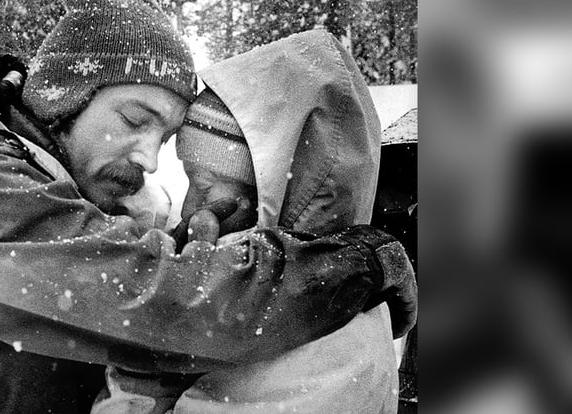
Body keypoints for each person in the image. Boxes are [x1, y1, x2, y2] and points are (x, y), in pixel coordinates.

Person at [0, 0, 416, 413]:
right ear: (62, 98)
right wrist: (352, 264)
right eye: (135, 120)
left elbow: (133, 272)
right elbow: (160, 299)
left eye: (163, 139)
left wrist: (188, 247)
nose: (151, 161)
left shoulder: (59, 190)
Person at [92, 30, 412, 413]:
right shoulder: (288, 300)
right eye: (189, 182)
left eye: (207, 188)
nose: (189, 208)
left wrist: (150, 352)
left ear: (269, 191)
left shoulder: (326, 337)